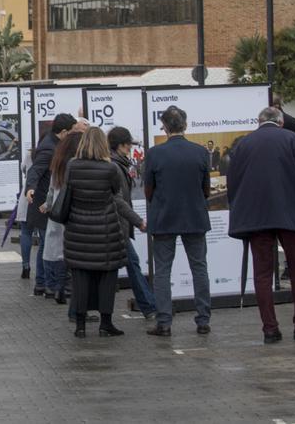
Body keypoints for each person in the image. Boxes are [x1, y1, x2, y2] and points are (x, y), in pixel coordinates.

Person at [227, 107, 295, 344]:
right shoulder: (292, 139)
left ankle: (269, 328)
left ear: (258, 122)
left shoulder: (243, 144)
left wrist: (239, 212)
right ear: (280, 123)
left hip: (256, 217)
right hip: (289, 214)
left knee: (262, 273)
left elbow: (233, 183)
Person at [143, 106, 211, 337]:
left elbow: (149, 191)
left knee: (162, 270)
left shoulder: (154, 154)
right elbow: (206, 190)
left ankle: (164, 321)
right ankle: (203, 319)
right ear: (185, 125)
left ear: (164, 126)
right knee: (199, 267)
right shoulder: (201, 152)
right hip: (194, 215)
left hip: (164, 216)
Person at [62, 127, 127, 338]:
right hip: (105, 231)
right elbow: (116, 192)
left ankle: (80, 326)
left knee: (80, 278)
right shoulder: (110, 169)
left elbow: (68, 191)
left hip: (78, 231)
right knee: (107, 279)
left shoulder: (72, 166)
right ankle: (105, 324)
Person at [23, 113, 77, 294]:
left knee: (46, 244)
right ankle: (47, 283)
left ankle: (42, 282)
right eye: (71, 132)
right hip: (44, 205)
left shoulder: (52, 142)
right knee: (48, 245)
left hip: (45, 202)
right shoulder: (49, 148)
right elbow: (35, 170)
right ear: (63, 132)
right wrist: (30, 188)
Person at [108, 126, 157, 320]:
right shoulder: (116, 166)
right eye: (128, 145)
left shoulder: (118, 164)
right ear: (120, 145)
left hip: (118, 223)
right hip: (118, 224)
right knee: (132, 263)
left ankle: (148, 306)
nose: (130, 149)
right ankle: (149, 306)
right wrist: (138, 221)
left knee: (122, 265)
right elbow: (119, 200)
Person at [41, 131, 83, 306]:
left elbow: (51, 188)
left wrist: (48, 205)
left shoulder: (58, 163)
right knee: (73, 251)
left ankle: (59, 287)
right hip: (73, 211)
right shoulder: (77, 165)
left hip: (58, 212)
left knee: (59, 251)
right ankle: (67, 289)